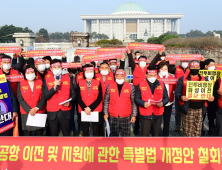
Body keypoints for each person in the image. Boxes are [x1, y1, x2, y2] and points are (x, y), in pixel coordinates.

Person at [175, 60, 214, 137]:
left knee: (198, 130)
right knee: (188, 131)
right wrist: (181, 97)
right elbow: (177, 93)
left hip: (200, 108)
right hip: (188, 108)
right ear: (189, 68)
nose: (195, 69)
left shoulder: (205, 79)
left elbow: (210, 93)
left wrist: (211, 97)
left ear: (199, 68)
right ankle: (188, 147)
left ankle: (196, 147)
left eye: (197, 67)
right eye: (193, 67)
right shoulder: (182, 79)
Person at [44, 59, 76, 136]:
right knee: (54, 134)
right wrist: (54, 88)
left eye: (59, 67)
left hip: (65, 111)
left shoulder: (68, 78)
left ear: (62, 68)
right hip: (52, 111)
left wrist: (70, 102)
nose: (57, 69)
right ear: (51, 69)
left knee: (66, 133)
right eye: (55, 67)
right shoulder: (47, 80)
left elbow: (74, 94)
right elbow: (45, 96)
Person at [135, 65, 169, 136]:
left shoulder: (161, 84)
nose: (152, 77)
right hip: (145, 114)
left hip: (157, 114)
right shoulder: (141, 84)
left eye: (154, 75)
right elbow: (136, 98)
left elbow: (166, 98)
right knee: (144, 135)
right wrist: (143, 103)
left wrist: (162, 103)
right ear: (146, 74)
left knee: (156, 136)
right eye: (150, 75)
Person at [103, 69, 137, 136]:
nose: (119, 78)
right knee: (113, 137)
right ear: (115, 76)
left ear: (125, 76)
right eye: (117, 76)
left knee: (126, 136)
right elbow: (106, 101)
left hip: (126, 116)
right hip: (113, 116)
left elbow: (134, 103)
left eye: (121, 76)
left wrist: (134, 115)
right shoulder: (110, 86)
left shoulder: (130, 87)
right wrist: (105, 113)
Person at [17, 65, 46, 136]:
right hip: (26, 112)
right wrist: (29, 110)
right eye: (28, 73)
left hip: (38, 111)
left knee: (39, 133)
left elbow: (44, 97)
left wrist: (36, 108)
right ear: (24, 74)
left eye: (32, 72)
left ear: (35, 73)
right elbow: (20, 98)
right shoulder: (20, 83)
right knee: (27, 133)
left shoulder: (41, 82)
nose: (30, 74)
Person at [77, 64, 103, 136]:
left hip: (95, 109)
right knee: (85, 131)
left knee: (96, 131)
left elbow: (99, 97)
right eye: (87, 71)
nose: (89, 73)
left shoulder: (98, 83)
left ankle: (96, 146)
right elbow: (78, 98)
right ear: (84, 73)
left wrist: (90, 108)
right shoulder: (80, 83)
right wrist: (85, 108)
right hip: (84, 110)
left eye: (91, 71)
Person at [157, 62, 176, 136]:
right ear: (159, 69)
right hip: (158, 102)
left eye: (165, 69)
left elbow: (174, 88)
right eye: (162, 69)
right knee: (158, 119)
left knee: (167, 119)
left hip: (169, 101)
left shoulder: (172, 77)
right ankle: (156, 133)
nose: (164, 70)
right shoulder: (156, 77)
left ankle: (166, 134)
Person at [204, 59, 217, 136]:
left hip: (213, 97)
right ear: (206, 66)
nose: (213, 66)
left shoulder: (217, 74)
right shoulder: (201, 74)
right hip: (203, 98)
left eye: (214, 65)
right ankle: (201, 131)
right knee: (202, 116)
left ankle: (212, 131)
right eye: (211, 65)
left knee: (212, 116)